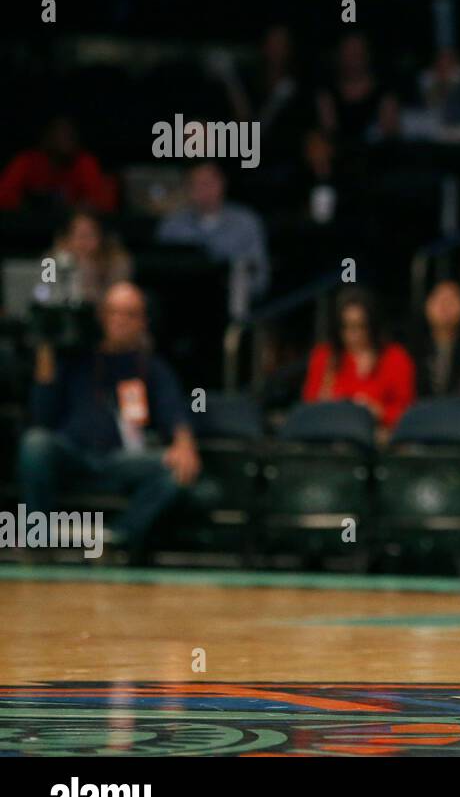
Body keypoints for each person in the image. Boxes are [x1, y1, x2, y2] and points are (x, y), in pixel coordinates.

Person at [19, 281, 198, 551]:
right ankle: (36, 538)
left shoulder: (152, 366)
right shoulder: (76, 359)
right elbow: (42, 418)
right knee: (35, 443)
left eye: (129, 314)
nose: (120, 321)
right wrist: (46, 350)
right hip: (73, 453)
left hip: (122, 460)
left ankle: (117, 539)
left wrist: (184, 444)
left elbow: (175, 410)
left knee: (177, 472)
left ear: (143, 321)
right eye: (113, 312)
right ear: (101, 317)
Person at [303, 287, 416, 433]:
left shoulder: (395, 357)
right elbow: (309, 406)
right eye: (346, 327)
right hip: (332, 434)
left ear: (373, 325)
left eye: (361, 326)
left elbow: (408, 412)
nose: (354, 335)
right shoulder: (324, 356)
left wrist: (378, 411)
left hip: (378, 437)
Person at [156, 161, 271, 302]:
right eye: (198, 184)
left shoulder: (245, 222)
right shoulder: (172, 226)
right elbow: (162, 275)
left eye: (210, 183)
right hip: (183, 302)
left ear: (222, 184)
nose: (205, 190)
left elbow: (259, 275)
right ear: (187, 189)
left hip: (234, 303)